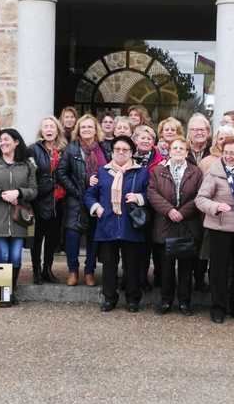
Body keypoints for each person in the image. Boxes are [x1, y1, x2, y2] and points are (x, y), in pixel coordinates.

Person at [195, 137, 234, 324]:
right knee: (218, 271)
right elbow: (200, 199)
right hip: (219, 228)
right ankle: (218, 308)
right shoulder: (214, 173)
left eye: (232, 153)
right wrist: (215, 206)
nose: (228, 156)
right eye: (225, 152)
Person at [84, 135, 150, 312]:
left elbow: (150, 194)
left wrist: (139, 197)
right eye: (117, 149)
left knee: (132, 265)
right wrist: (96, 207)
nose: (121, 152)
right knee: (109, 265)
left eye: (125, 150)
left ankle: (132, 299)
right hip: (107, 223)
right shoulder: (102, 171)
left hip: (131, 224)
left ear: (131, 153)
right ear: (112, 152)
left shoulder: (141, 172)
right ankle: (109, 298)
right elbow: (90, 195)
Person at [0, 128, 38, 304]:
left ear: (16, 142)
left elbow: (34, 190)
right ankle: (1, 293)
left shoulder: (27, 164)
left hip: (19, 218)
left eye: (7, 140)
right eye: (1, 140)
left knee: (16, 257)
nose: (3, 143)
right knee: (2, 255)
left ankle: (9, 291)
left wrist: (19, 193)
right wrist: (0, 194)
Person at [148, 137, 203, 316]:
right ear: (169, 151)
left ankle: (184, 302)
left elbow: (199, 195)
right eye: (175, 148)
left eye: (181, 148)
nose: (178, 151)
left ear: (187, 153)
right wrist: (169, 210)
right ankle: (166, 301)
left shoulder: (196, 172)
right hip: (166, 224)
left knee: (186, 267)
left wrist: (183, 212)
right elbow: (152, 193)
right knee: (166, 267)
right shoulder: (158, 171)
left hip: (187, 224)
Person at [56, 114, 107, 286]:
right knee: (72, 236)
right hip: (75, 200)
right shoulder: (71, 149)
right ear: (79, 129)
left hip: (97, 199)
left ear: (95, 129)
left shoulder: (103, 148)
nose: (86, 130)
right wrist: (79, 187)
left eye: (90, 127)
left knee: (94, 238)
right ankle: (72, 271)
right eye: (83, 127)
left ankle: (89, 272)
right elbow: (61, 173)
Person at [28, 116, 68, 285]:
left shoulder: (65, 150)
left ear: (57, 130)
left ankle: (47, 269)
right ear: (42, 131)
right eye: (46, 127)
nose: (49, 129)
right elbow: (29, 174)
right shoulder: (33, 149)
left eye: (52, 126)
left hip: (59, 201)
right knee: (37, 238)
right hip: (40, 199)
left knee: (52, 238)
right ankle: (36, 270)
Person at [132, 124, 165, 290]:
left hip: (155, 208)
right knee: (137, 247)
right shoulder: (128, 157)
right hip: (133, 207)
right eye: (142, 137)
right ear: (135, 140)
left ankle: (156, 279)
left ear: (154, 141)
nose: (145, 140)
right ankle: (136, 279)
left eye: (149, 138)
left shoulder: (161, 160)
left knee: (154, 245)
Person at [185, 112, 212, 292]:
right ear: (189, 132)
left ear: (208, 131)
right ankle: (188, 279)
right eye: (194, 129)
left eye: (202, 129)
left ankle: (201, 278)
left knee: (205, 243)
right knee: (190, 242)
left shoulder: (214, 150)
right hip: (187, 204)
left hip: (207, 206)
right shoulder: (182, 149)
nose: (198, 132)